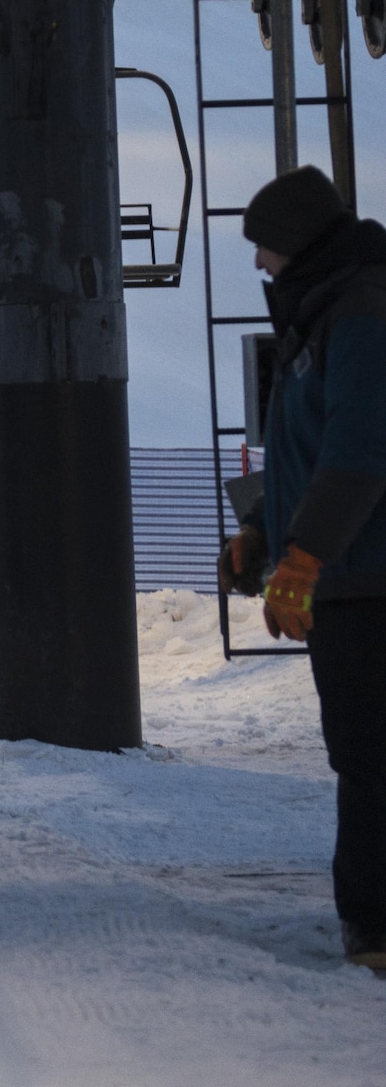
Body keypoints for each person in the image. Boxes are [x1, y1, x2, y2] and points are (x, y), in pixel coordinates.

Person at [220, 164, 386, 973]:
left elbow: (358, 453)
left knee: (372, 758)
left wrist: (304, 557)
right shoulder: (323, 315)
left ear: (299, 244)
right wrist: (261, 529)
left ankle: (378, 928)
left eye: (266, 249)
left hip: (369, 578)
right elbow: (305, 453)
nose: (259, 266)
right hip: (349, 576)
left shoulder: (362, 312)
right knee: (363, 755)